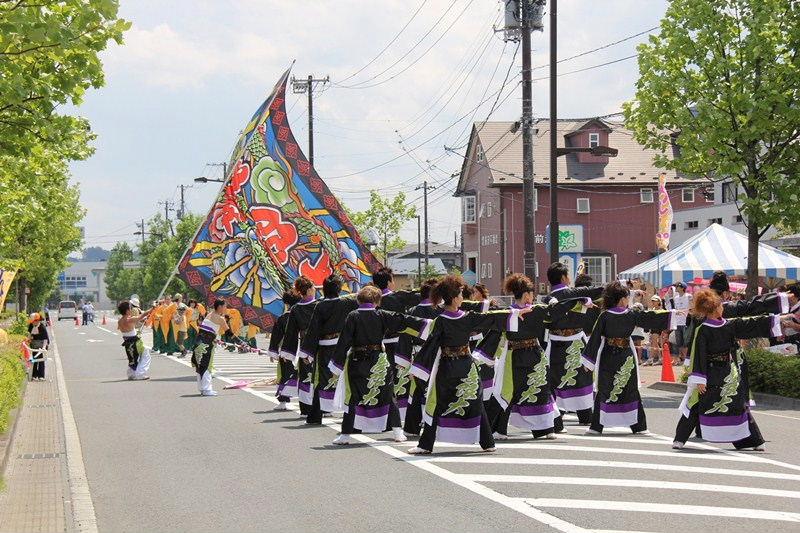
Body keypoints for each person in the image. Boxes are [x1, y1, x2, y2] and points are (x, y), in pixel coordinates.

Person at [407, 275, 531, 455]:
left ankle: (427, 445)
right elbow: (489, 319)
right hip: (463, 366)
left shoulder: (448, 319)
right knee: (474, 402)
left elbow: (430, 346)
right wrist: (513, 314)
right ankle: (486, 442)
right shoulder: (455, 319)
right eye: (459, 293)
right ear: (454, 297)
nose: (461, 296)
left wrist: (418, 369)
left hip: (449, 367)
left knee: (440, 403)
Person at [673, 289, 785, 450]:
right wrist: (699, 379)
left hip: (728, 373)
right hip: (709, 373)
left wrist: (779, 320)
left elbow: (751, 324)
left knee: (738, 404)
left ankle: (753, 441)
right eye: (720, 306)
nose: (723, 308)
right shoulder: (703, 329)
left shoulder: (730, 325)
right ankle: (680, 438)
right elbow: (699, 355)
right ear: (715, 309)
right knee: (698, 403)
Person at [329, 285, 432, 445]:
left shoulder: (353, 315)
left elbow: (344, 342)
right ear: (377, 301)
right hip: (379, 360)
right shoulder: (382, 314)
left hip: (357, 360)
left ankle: (345, 435)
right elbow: (403, 319)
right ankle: (397, 431)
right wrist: (429, 323)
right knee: (388, 394)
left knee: (353, 396)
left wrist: (337, 365)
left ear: (358, 300)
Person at [582, 281, 677, 435]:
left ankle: (638, 426)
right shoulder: (606, 316)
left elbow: (650, 316)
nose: (628, 301)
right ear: (621, 299)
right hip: (617, 355)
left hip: (620, 355)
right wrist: (589, 361)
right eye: (627, 297)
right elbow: (596, 338)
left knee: (628, 388)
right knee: (607, 388)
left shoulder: (626, 314)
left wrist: (671, 314)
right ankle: (597, 426)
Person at [480, 274, 559, 440]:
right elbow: (557, 315)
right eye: (531, 294)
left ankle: (541, 428)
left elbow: (494, 331)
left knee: (536, 389)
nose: (532, 297)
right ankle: (499, 428)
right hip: (522, 356)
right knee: (514, 391)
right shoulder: (525, 311)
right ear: (526, 295)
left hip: (521, 355)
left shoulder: (508, 313)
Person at [545, 262, 604, 426]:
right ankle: (585, 414)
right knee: (582, 377)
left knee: (555, 378)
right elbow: (599, 291)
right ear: (564, 277)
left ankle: (557, 415)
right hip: (577, 341)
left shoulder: (546, 299)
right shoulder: (575, 293)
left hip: (555, 343)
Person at [299, 274, 358, 424]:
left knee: (323, 380)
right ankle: (352, 415)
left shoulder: (321, 305)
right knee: (348, 379)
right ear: (339, 289)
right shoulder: (348, 303)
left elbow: (313, 329)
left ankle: (315, 416)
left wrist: (307, 352)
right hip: (343, 347)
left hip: (325, 347)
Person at [398, 277, 442, 437]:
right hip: (438, 355)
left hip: (418, 356)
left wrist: (404, 361)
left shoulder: (412, 311)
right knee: (436, 389)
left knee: (417, 390)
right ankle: (436, 423)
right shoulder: (441, 311)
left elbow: (404, 336)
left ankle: (411, 426)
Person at [279, 276, 318, 415]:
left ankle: (307, 408)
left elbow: (290, 333)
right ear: (308, 290)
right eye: (313, 287)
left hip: (305, 346)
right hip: (319, 345)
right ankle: (320, 407)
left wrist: (287, 352)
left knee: (307, 375)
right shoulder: (319, 305)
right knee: (316, 375)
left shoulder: (296, 308)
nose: (315, 289)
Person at [267, 291, 302, 410]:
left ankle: (283, 402)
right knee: (306, 376)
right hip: (305, 350)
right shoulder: (306, 314)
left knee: (286, 375)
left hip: (288, 351)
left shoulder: (283, 318)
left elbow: (276, 336)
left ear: (286, 304)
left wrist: (273, 351)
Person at [191, 298, 229, 397]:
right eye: (225, 306)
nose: (226, 308)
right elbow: (229, 333)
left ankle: (203, 389)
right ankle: (207, 389)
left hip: (199, 343)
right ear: (220, 307)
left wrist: (215, 338)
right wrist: (242, 343)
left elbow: (207, 330)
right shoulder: (220, 319)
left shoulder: (209, 314)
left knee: (200, 367)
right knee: (207, 366)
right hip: (206, 345)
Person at [117, 300, 153, 380]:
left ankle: (131, 374)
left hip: (127, 343)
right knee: (146, 355)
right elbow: (142, 315)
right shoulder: (130, 319)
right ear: (127, 311)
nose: (131, 310)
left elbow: (127, 330)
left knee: (132, 358)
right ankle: (140, 374)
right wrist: (152, 308)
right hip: (135, 343)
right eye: (130, 308)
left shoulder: (120, 321)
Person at [665, 282, 692, 363]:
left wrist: (684, 312)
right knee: (679, 342)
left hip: (685, 322)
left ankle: (687, 360)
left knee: (686, 342)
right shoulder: (676, 298)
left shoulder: (688, 296)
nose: (675, 288)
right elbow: (673, 308)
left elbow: (691, 307)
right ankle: (682, 359)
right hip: (677, 322)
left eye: (677, 286)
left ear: (682, 287)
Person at [643, 295, 667, 365]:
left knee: (654, 342)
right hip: (653, 328)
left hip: (658, 328)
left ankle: (650, 359)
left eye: (654, 301)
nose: (653, 302)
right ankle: (660, 358)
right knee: (655, 343)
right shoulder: (652, 310)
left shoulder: (662, 310)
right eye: (652, 301)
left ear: (659, 302)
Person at [27, 313, 49, 381]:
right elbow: (29, 334)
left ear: (37, 320)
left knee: (41, 361)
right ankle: (34, 375)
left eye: (33, 321)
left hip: (41, 346)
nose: (32, 323)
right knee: (34, 360)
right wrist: (28, 340)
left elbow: (46, 338)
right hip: (33, 346)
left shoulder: (42, 327)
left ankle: (41, 376)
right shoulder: (31, 326)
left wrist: (44, 348)